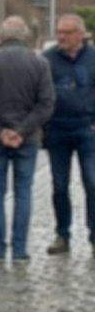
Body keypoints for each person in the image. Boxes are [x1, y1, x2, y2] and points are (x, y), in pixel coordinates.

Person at [0, 16, 54, 262]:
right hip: (27, 140)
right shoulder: (39, 63)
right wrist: (22, 130)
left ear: (2, 36)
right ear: (24, 36)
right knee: (23, 191)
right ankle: (19, 249)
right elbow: (46, 104)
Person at [42, 13, 95, 255]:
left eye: (67, 32)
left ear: (80, 34)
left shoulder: (92, 58)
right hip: (57, 130)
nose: (61, 36)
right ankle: (63, 234)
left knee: (92, 183)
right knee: (60, 186)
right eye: (59, 32)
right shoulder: (48, 59)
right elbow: (39, 94)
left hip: (87, 130)